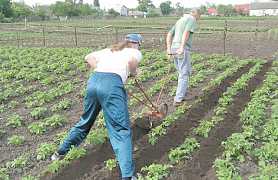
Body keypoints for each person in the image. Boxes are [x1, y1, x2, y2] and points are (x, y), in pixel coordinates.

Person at [51, 34, 143, 180]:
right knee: (121, 129)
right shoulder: (134, 51)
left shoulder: (110, 49)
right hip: (112, 85)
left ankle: (59, 153)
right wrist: (133, 73)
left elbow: (88, 57)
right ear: (136, 43)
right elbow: (132, 62)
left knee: (85, 121)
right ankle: (128, 176)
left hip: (94, 82)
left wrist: (102, 69)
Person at [166, 8, 201, 107]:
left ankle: (180, 95)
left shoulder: (180, 20)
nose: (198, 19)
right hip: (182, 49)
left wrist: (168, 49)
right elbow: (186, 32)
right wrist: (182, 47)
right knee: (184, 74)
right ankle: (178, 100)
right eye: (199, 16)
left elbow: (169, 34)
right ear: (195, 14)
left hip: (173, 47)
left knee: (181, 73)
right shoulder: (192, 19)